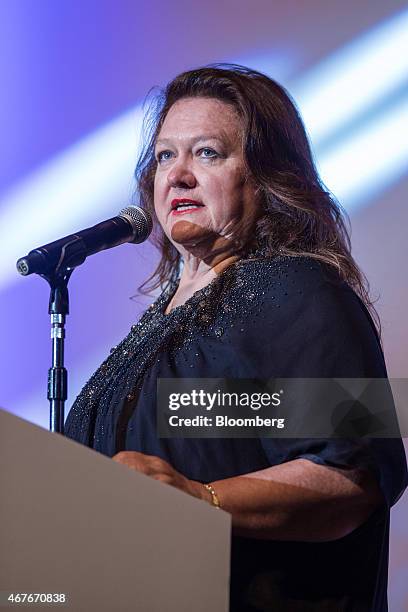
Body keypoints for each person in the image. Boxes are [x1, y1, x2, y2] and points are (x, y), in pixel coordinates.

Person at [64, 65, 408, 611]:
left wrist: (200, 499)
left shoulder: (298, 289)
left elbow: (351, 472)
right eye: (163, 157)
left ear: (268, 177)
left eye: (206, 153)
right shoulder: (160, 322)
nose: (176, 175)